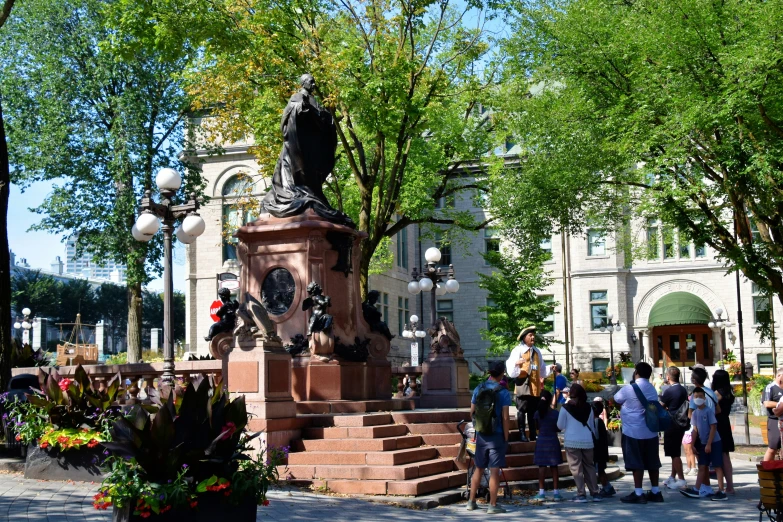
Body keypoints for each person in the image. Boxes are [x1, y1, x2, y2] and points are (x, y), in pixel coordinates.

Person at [261, 74, 354, 227]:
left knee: (311, 182)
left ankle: (305, 194)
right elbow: (288, 117)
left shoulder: (315, 101)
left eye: (314, 81)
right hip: (297, 147)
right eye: (311, 81)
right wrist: (302, 109)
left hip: (310, 148)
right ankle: (293, 194)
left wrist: (325, 118)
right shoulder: (297, 97)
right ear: (303, 83)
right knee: (292, 177)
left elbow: (322, 122)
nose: (314, 84)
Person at [467, 361, 514, 514]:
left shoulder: (479, 388)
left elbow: (472, 412)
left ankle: (471, 501)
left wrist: (479, 427)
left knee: (478, 468)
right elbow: (505, 418)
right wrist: (506, 437)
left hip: (481, 434)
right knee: (494, 470)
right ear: (502, 373)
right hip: (497, 435)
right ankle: (492, 505)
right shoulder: (503, 392)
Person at [614, 361, 663, 504]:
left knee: (636, 462)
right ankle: (655, 491)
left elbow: (616, 398)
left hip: (633, 431)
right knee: (653, 462)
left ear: (636, 373)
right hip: (651, 431)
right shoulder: (652, 389)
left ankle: (638, 493)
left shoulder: (629, 388)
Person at [557, 383, 603, 502]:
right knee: (590, 466)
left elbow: (560, 425)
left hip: (572, 441)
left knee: (576, 468)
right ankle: (595, 492)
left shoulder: (565, 408)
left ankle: (581, 493)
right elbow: (592, 426)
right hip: (587, 441)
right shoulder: (589, 408)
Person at [680, 387, 728, 501]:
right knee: (702, 466)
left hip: (714, 442)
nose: (698, 399)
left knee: (717, 466)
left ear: (704, 398)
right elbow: (695, 429)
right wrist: (692, 444)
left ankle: (721, 491)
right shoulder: (695, 413)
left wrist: (709, 444)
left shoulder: (708, 411)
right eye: (696, 397)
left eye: (700, 397)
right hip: (703, 443)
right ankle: (697, 489)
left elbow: (713, 427)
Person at [505, 326, 551, 442]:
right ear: (524, 337)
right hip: (523, 384)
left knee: (532, 411)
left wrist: (550, 368)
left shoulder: (537, 352)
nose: (533, 337)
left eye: (533, 335)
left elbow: (542, 369)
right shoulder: (518, 350)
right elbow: (510, 367)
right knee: (521, 410)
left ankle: (532, 433)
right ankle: (522, 433)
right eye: (530, 335)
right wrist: (516, 363)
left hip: (534, 386)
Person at [531, 389, 563, 502]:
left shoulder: (537, 413)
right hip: (553, 440)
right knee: (554, 467)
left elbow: (537, 428)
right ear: (550, 400)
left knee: (541, 466)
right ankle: (556, 492)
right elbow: (559, 428)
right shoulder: (555, 413)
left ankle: (541, 492)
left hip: (542, 441)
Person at [660, 366, 689, 490]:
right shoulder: (683, 389)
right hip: (681, 422)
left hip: (671, 423)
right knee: (674, 451)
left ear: (668, 377)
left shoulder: (669, 391)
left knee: (674, 453)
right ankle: (673, 476)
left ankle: (681, 478)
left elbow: (661, 405)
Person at [711, 369, 735, 494]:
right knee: (726, 454)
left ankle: (727, 486)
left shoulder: (717, 393)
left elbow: (713, 409)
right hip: (725, 422)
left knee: (722, 455)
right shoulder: (728, 392)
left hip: (718, 423)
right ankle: (730, 485)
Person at [592, 397, 616, 497]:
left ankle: (606, 487)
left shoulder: (596, 422)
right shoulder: (598, 421)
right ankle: (608, 487)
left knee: (600, 471)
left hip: (598, 452)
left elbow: (596, 437)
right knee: (601, 471)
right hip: (601, 451)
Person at [762, 367, 783, 462]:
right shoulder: (770, 387)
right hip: (775, 420)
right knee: (773, 447)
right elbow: (766, 403)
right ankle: (765, 470)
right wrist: (780, 405)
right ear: (779, 376)